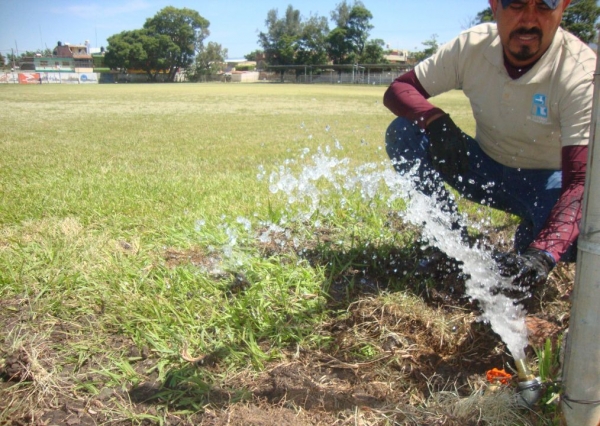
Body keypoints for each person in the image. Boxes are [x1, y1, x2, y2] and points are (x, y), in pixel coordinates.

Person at [383, 0, 596, 291]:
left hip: (545, 185)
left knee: (573, 235)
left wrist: (542, 255)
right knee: (404, 133)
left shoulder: (580, 71)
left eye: (546, 4)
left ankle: (532, 239)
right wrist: (435, 121)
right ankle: (449, 241)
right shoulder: (473, 45)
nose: (530, 19)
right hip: (482, 169)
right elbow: (399, 89)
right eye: (516, 3)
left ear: (564, 7)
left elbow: (581, 182)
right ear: (495, 5)